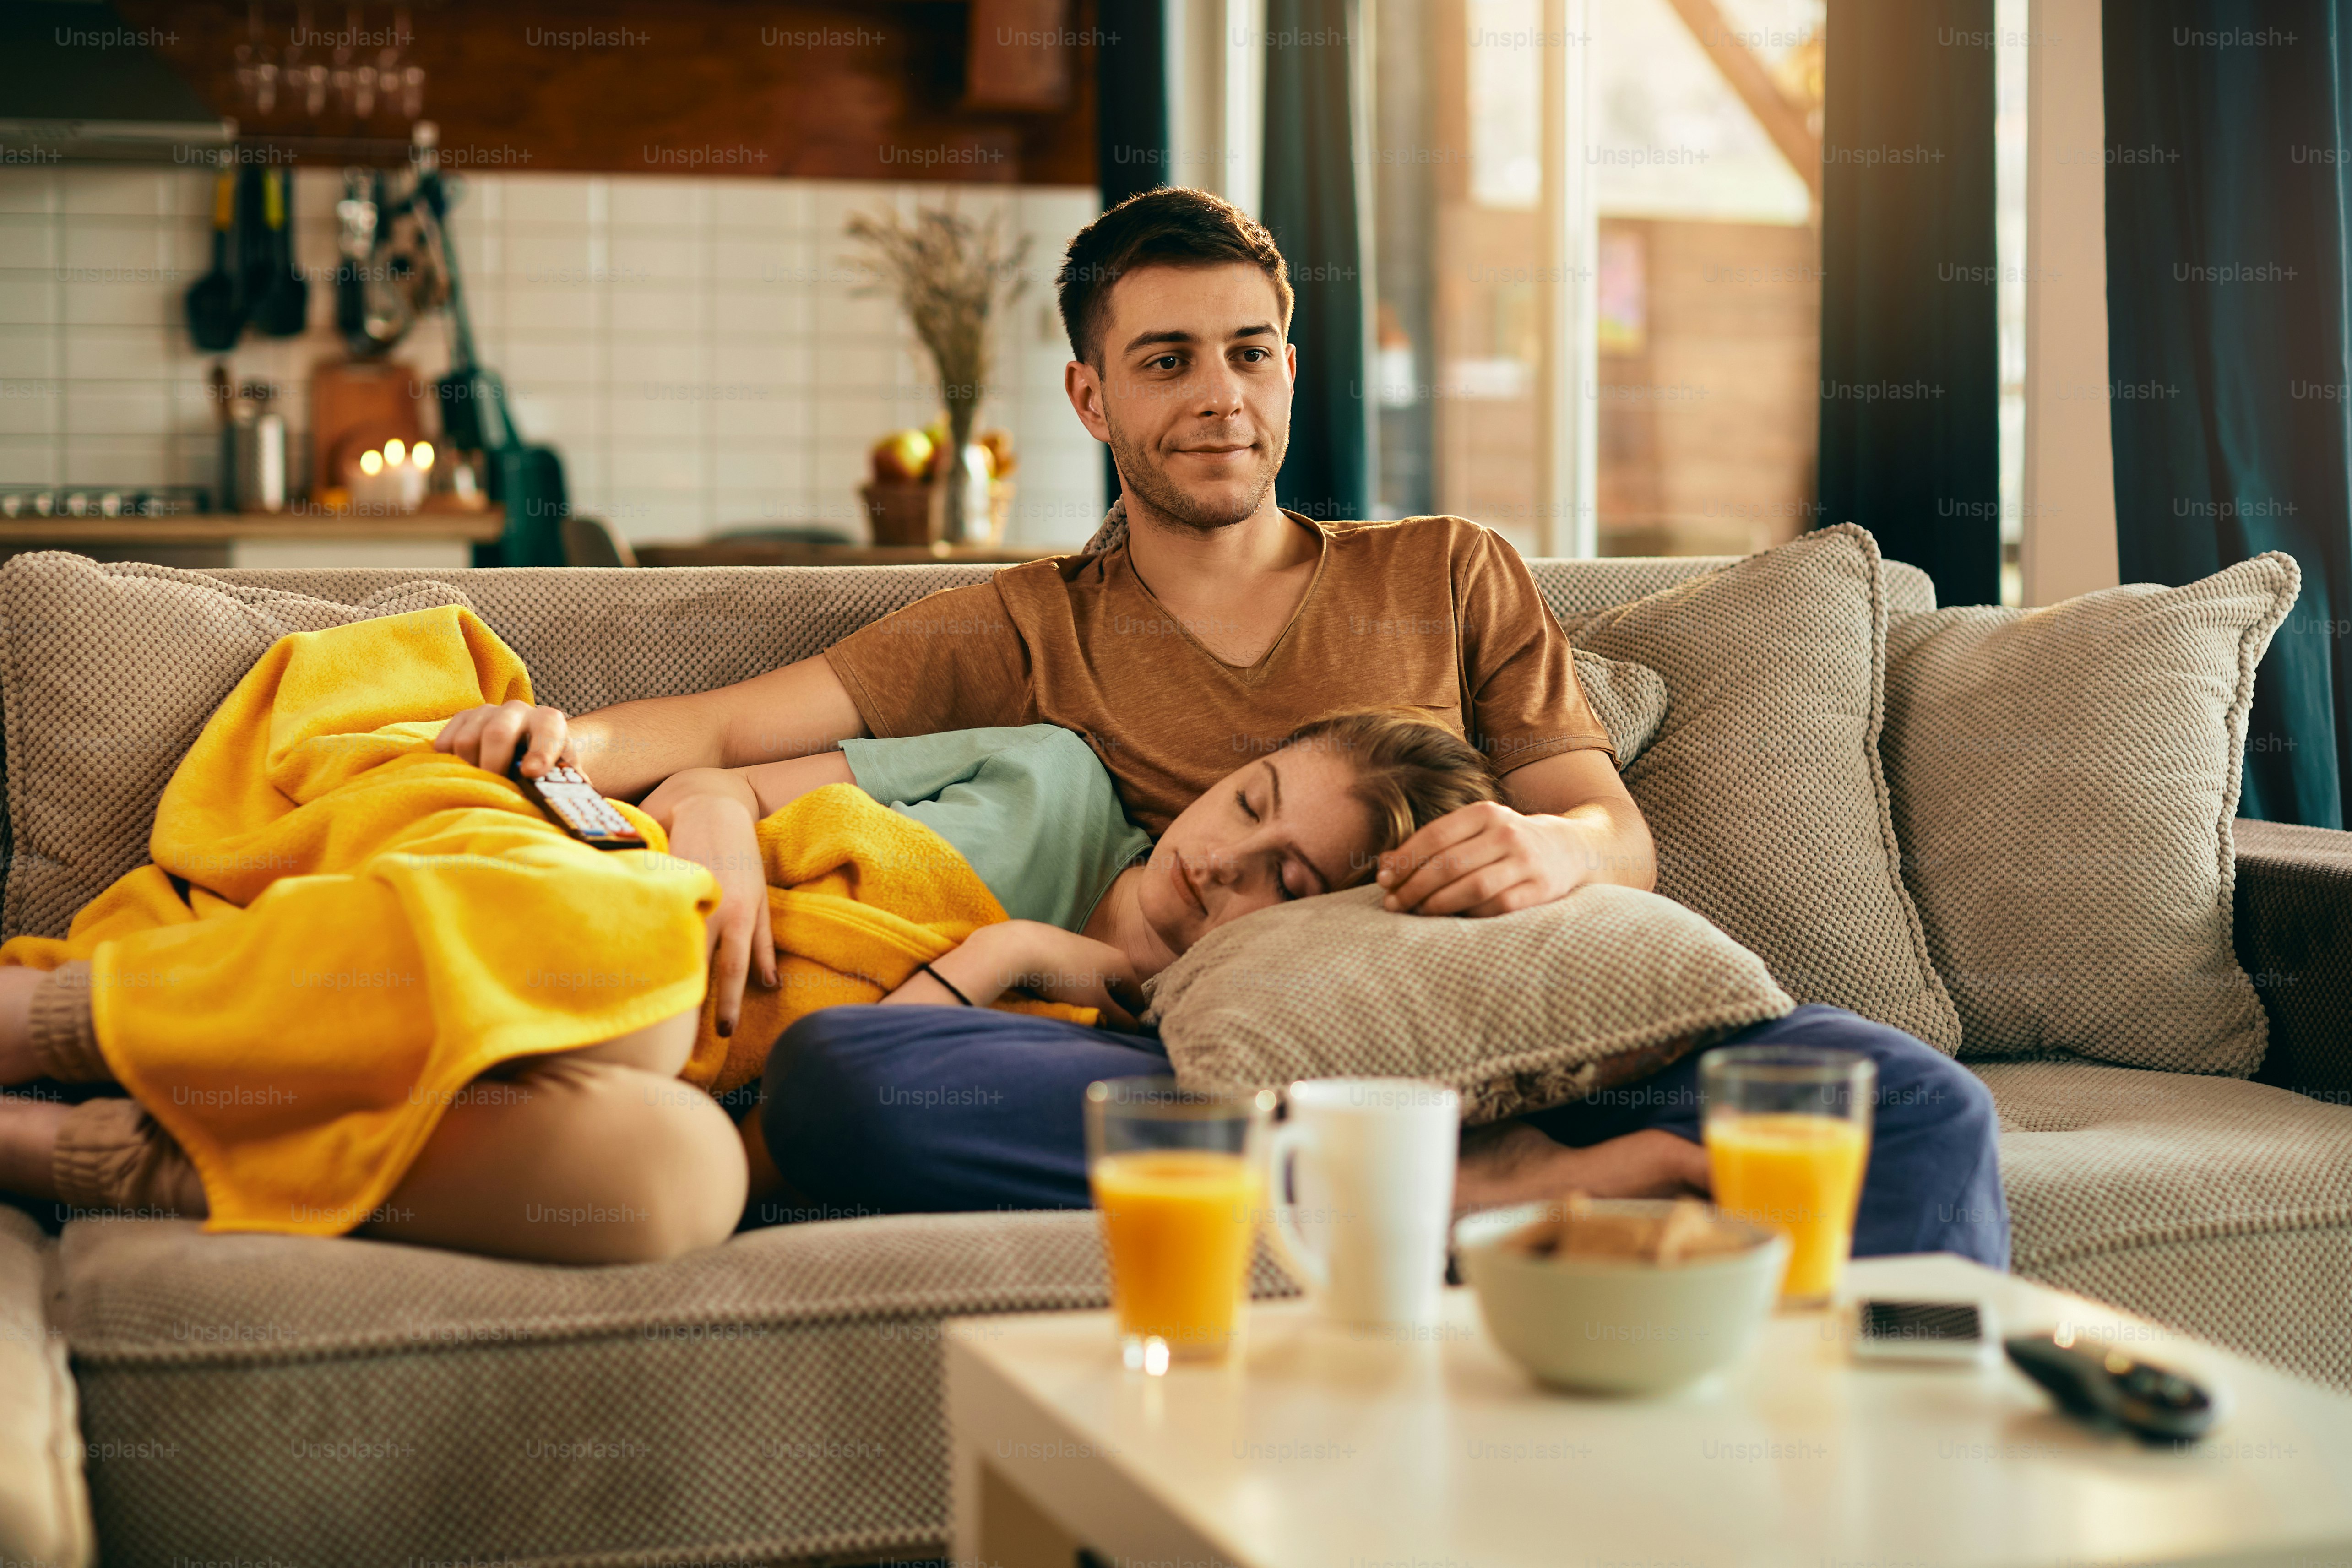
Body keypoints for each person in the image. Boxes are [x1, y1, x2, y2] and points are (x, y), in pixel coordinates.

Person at [432, 187, 2008, 1266]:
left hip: (1519, 1032)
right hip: (1216, 1076)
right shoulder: (1023, 620)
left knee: (1917, 1108)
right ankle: (1472, 1205)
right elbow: (705, 724)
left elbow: (1616, 831)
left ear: (1290, 367)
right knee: (859, 1091)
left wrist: (1547, 842)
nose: (1220, 397)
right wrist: (546, 728)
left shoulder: (1449, 568)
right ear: (1090, 398)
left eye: (1248, 353)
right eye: (1165, 361)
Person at [0, 700, 1497, 1264]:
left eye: (1282, 885)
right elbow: (718, 776)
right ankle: (55, 1023)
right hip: (588, 904)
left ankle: (102, 1155)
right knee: (652, 974)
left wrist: (1025, 957)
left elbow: (848, 1079)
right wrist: (716, 844)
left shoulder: (1151, 1041)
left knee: (677, 1181)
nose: (1217, 868)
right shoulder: (1047, 772)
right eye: (1245, 804)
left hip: (659, 1073)